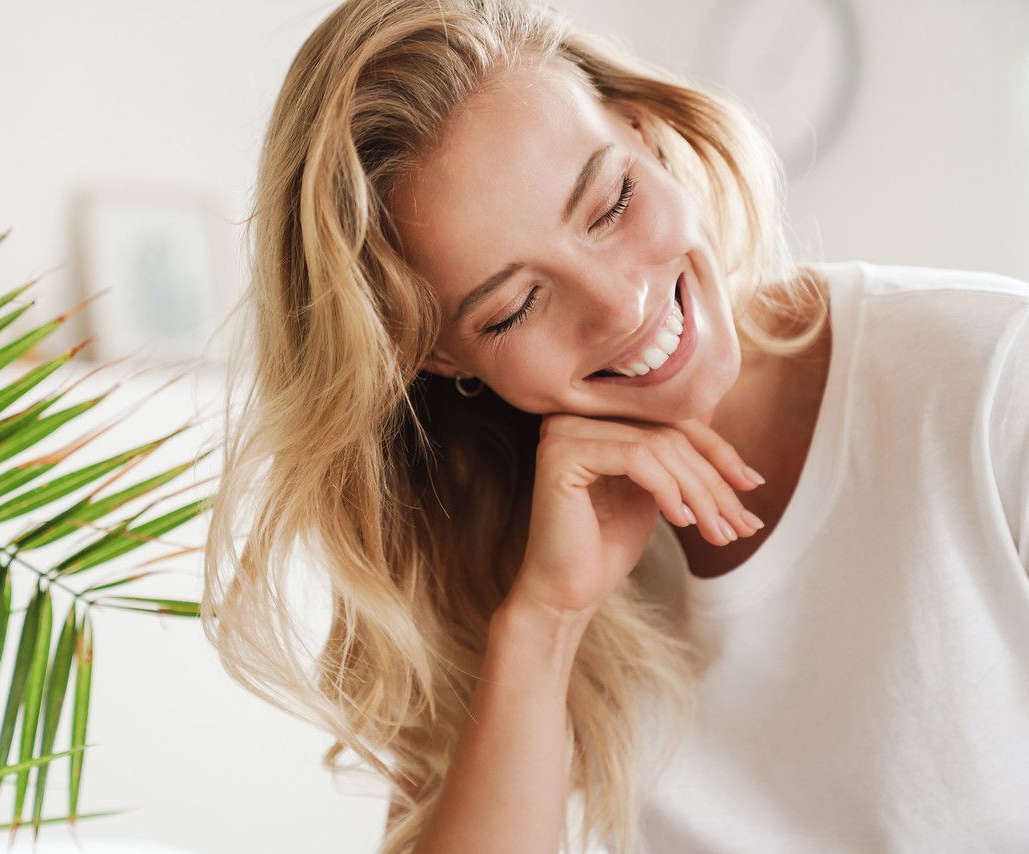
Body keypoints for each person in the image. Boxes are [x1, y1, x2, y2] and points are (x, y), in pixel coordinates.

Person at [202, 0, 1029, 852]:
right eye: (514, 306)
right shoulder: (484, 553)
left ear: (645, 133)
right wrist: (544, 623)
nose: (621, 304)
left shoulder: (997, 379)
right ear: (442, 359)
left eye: (611, 203)